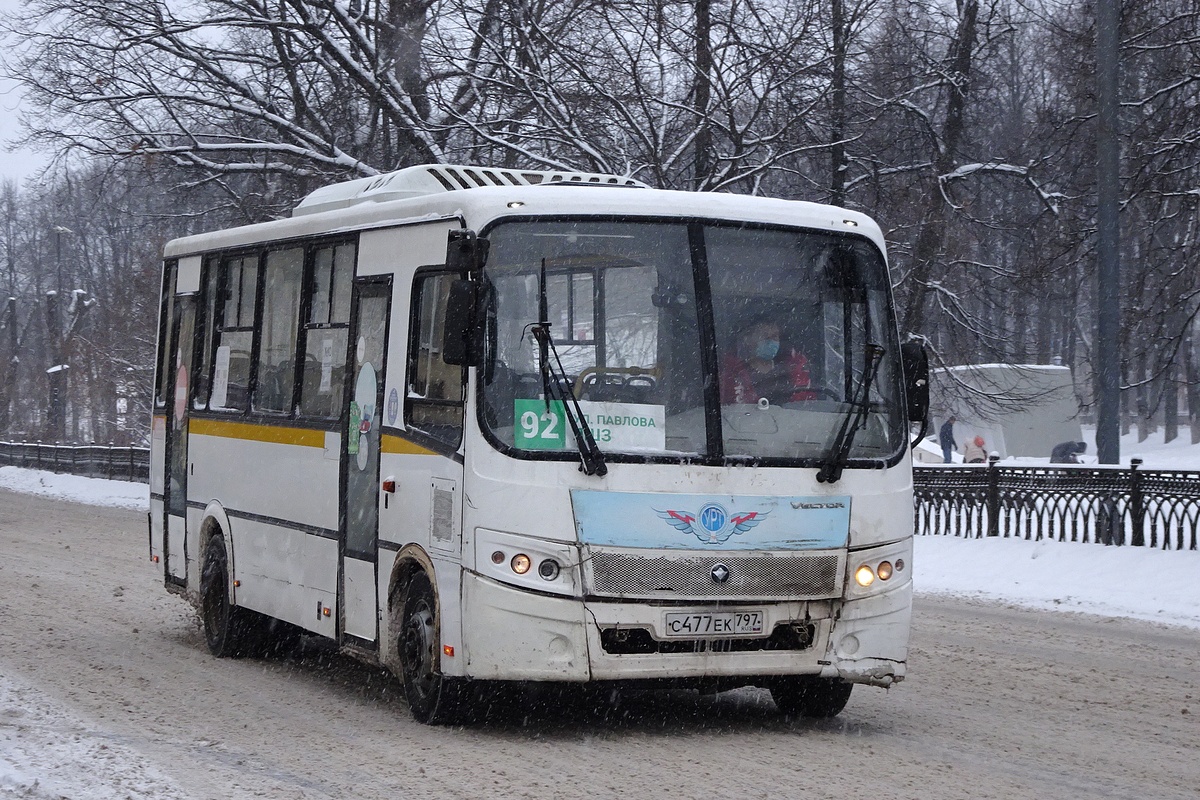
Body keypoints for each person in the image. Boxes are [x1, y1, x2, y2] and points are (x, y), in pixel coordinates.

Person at [721, 318, 814, 405]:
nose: (771, 342)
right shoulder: (734, 373)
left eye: (775, 337)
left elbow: (805, 406)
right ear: (748, 340)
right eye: (765, 337)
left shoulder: (791, 370)